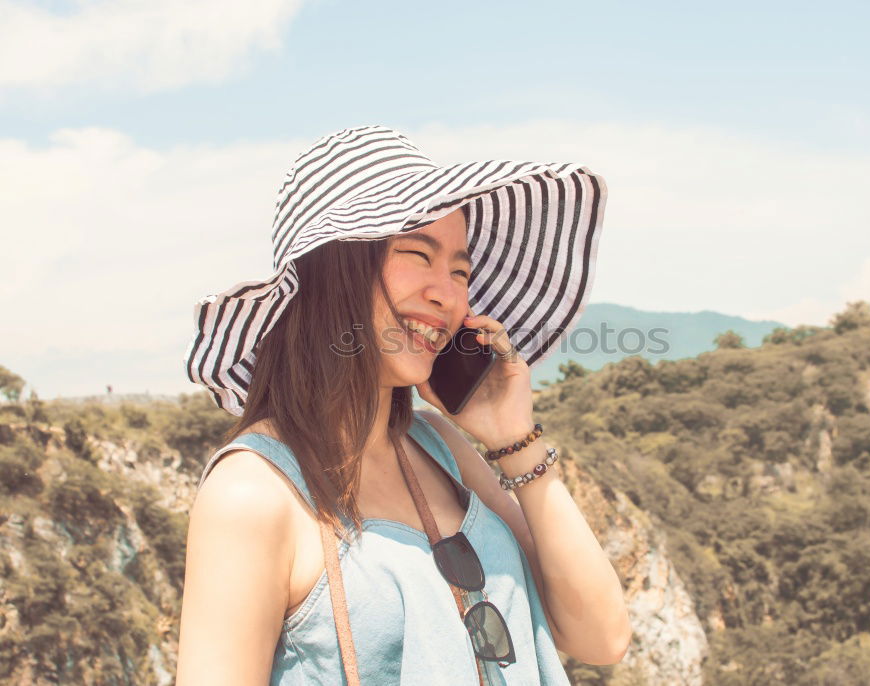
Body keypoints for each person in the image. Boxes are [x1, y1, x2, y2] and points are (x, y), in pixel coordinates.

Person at [175, 125, 631, 685]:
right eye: (418, 254)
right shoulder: (253, 491)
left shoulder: (439, 448)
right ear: (331, 274)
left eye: (460, 270)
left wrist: (514, 438)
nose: (449, 293)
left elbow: (601, 637)